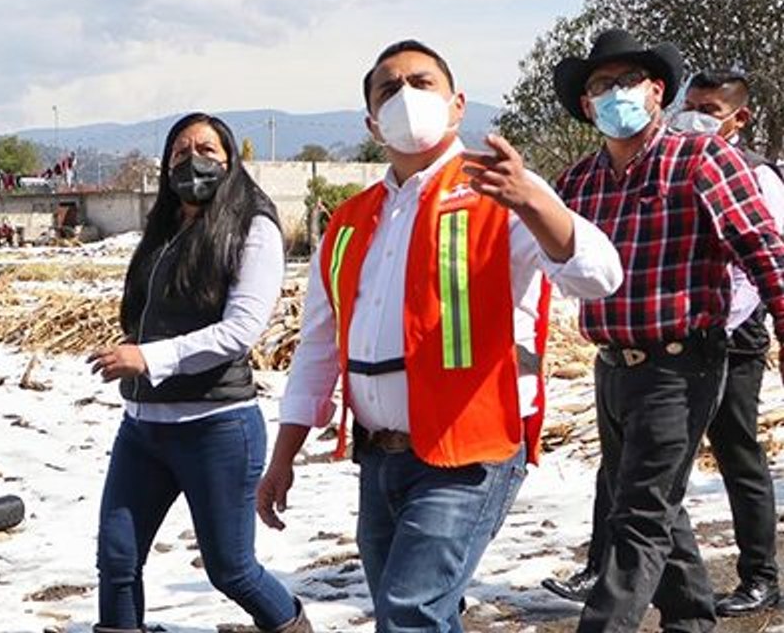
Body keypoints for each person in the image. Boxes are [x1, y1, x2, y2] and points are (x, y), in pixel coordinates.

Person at [255, 40, 622, 632]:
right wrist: (284, 454)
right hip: (380, 457)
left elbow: (600, 277)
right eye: (388, 89)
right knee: (420, 610)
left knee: (409, 614)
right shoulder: (348, 223)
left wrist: (534, 202)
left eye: (422, 83)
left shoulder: (500, 191)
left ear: (457, 106)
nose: (406, 97)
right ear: (372, 123)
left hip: (470, 449)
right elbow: (320, 349)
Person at [551, 29, 784, 632]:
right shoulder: (578, 183)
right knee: (659, 508)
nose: (616, 94)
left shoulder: (703, 160)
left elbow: (764, 251)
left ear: (657, 92)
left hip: (683, 364)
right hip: (610, 367)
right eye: (602, 85)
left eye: (629, 81)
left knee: (639, 518)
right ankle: (691, 623)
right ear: (586, 104)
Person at [87, 112, 310, 633]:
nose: (194, 161)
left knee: (231, 570)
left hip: (216, 427)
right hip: (143, 428)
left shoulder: (253, 226)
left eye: (207, 150)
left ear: (230, 159)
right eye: (181, 152)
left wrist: (150, 357)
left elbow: (240, 330)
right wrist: (134, 347)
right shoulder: (165, 228)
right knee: (117, 561)